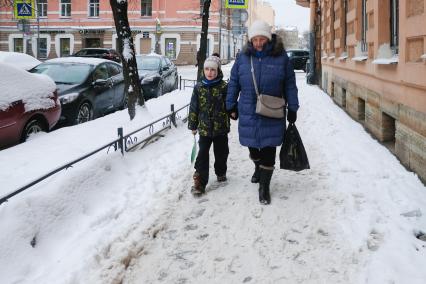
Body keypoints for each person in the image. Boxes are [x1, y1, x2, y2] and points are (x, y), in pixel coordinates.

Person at [226, 20, 299, 205]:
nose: (258, 43)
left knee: (269, 148)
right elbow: (234, 81)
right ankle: (258, 166)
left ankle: (264, 187)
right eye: (255, 39)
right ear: (250, 40)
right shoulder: (243, 58)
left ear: (268, 38)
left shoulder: (281, 58)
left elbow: (290, 84)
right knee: (252, 147)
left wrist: (293, 107)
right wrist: (230, 105)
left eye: (262, 39)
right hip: (248, 109)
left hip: (272, 111)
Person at [188, 55, 230, 195]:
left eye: (213, 69)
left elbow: (230, 104)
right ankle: (200, 183)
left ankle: (220, 171)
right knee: (202, 155)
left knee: (221, 153)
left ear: (218, 71)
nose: (210, 72)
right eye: (207, 69)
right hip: (205, 130)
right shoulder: (199, 87)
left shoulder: (224, 87)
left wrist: (234, 112)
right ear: (203, 71)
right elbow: (194, 107)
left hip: (221, 129)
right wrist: (193, 125)